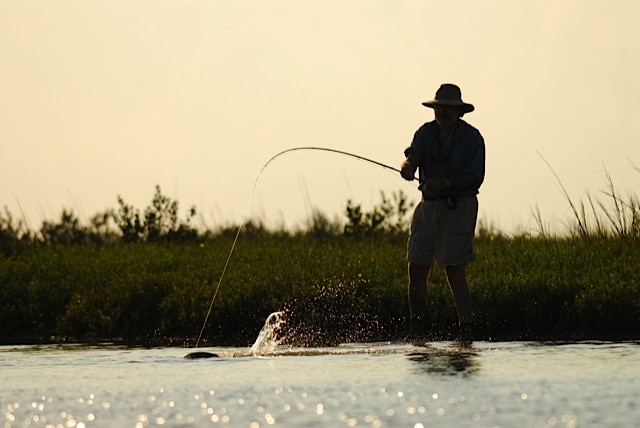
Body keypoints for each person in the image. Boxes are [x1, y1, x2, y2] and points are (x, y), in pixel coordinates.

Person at [400, 83, 485, 343]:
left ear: (459, 112)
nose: (443, 112)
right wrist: (407, 167)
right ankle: (417, 329)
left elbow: (475, 177)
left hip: (459, 207)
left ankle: (466, 328)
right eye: (439, 107)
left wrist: (445, 184)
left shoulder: (472, 138)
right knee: (416, 267)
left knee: (453, 268)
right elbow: (412, 157)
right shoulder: (424, 133)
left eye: (448, 108)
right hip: (427, 207)